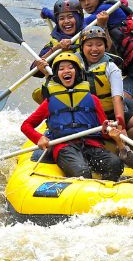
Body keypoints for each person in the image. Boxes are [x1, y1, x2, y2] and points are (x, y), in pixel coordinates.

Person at [35, 25, 133, 142]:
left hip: (108, 116)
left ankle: (121, 149)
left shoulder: (111, 67)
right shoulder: (71, 64)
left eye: (99, 45)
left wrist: (121, 125)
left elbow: (117, 98)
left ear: (105, 47)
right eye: (89, 45)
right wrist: (46, 72)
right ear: (82, 47)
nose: (94, 49)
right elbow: (57, 88)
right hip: (82, 116)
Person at [20, 51, 124, 180]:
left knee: (115, 164)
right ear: (57, 75)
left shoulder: (92, 99)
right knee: (82, 172)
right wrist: (38, 138)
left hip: (91, 145)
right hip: (65, 147)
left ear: (78, 72)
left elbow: (103, 131)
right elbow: (26, 125)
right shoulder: (50, 102)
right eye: (61, 69)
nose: (66, 71)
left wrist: (107, 129)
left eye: (70, 68)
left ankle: (106, 189)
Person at [73, 0, 133, 97]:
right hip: (132, 66)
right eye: (82, 0)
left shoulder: (107, 9)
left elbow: (80, 26)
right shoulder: (104, 12)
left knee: (129, 94)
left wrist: (52, 15)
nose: (86, 3)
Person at [32, 0, 83, 76]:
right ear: (57, 21)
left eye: (70, 16)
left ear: (79, 18)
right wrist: (56, 49)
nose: (66, 21)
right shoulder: (54, 43)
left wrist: (103, 25)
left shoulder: (89, 33)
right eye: (61, 18)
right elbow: (34, 71)